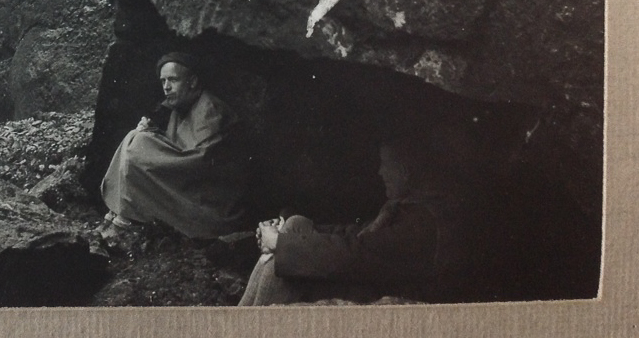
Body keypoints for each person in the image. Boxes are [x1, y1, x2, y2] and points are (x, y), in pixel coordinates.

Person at [237, 135, 469, 305]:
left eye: (384, 164)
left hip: (395, 298)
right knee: (296, 224)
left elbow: (357, 254)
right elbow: (358, 233)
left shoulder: (422, 223)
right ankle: (240, 322)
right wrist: (288, 231)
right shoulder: (415, 208)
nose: (380, 172)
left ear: (405, 170)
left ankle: (244, 327)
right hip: (374, 280)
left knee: (286, 266)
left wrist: (281, 244)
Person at [98, 52, 247, 240]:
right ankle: (119, 211)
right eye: (163, 81)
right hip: (190, 189)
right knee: (137, 138)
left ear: (192, 82)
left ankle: (126, 217)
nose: (166, 87)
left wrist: (150, 143)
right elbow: (178, 149)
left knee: (139, 143)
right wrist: (152, 133)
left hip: (212, 206)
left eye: (173, 80)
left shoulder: (210, 110)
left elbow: (197, 161)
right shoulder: (181, 106)